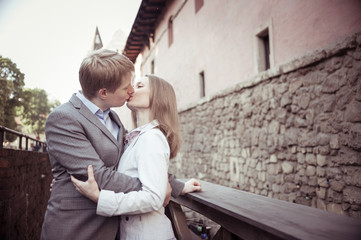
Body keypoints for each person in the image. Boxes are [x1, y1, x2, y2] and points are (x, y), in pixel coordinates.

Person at [41, 49, 200, 240]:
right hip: (78, 227)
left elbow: (138, 163)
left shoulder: (114, 118)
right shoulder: (63, 118)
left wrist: (174, 185)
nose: (131, 90)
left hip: (115, 225)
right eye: (126, 87)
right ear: (103, 92)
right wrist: (156, 189)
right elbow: (98, 174)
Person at [72, 75, 201, 240]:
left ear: (157, 97)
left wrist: (100, 198)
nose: (131, 89)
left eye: (139, 86)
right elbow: (144, 174)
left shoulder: (151, 138)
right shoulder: (137, 137)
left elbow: (154, 198)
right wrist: (178, 186)